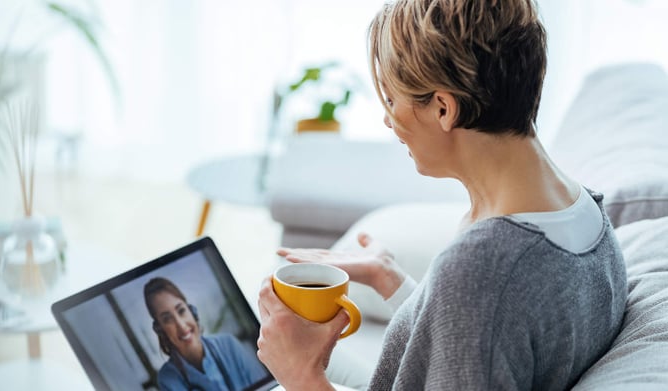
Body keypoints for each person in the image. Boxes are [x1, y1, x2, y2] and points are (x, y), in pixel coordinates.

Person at [256, 0, 627, 390]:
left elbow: (483, 303)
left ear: (444, 109)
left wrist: (301, 376)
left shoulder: (485, 267)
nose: (388, 119)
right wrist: (390, 278)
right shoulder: (585, 212)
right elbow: (479, 343)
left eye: (390, 99)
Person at [144, 277, 268, 391]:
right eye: (167, 319)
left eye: (181, 311)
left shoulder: (228, 345)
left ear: (192, 311)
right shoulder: (168, 379)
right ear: (160, 330)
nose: (181, 326)